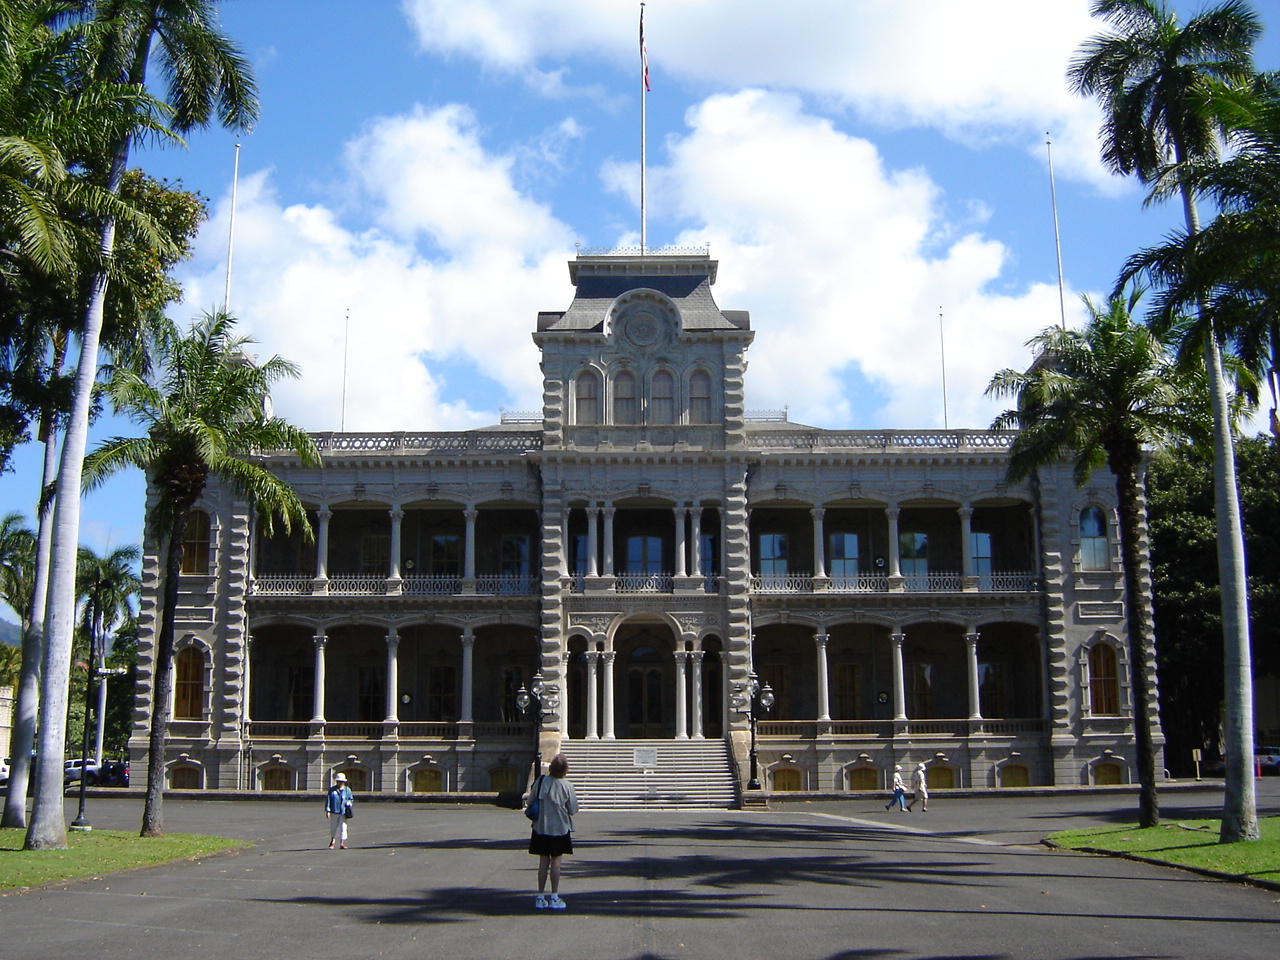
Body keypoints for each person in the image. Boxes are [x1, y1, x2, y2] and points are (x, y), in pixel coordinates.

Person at [528, 753, 579, 910]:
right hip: (560, 828)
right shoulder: (567, 786)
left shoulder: (541, 781)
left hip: (541, 827)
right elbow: (573, 810)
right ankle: (554, 896)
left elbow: (530, 801)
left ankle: (540, 896)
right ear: (565, 770)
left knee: (543, 862)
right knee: (556, 863)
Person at [325, 772, 354, 849]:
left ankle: (342, 843)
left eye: (341, 782)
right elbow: (328, 800)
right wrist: (328, 810)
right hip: (334, 811)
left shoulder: (347, 790)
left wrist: (349, 803)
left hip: (343, 812)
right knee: (333, 827)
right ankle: (332, 841)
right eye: (338, 781)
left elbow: (351, 799)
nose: (340, 783)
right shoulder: (332, 790)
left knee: (343, 827)